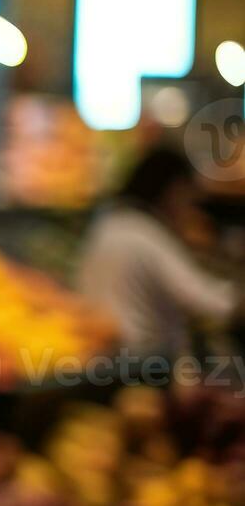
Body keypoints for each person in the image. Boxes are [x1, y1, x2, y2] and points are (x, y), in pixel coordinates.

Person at [76, 146, 236, 361]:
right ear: (173, 191)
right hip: (145, 363)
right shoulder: (145, 233)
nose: (188, 210)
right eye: (188, 199)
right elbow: (211, 302)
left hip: (104, 355)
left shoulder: (109, 225)